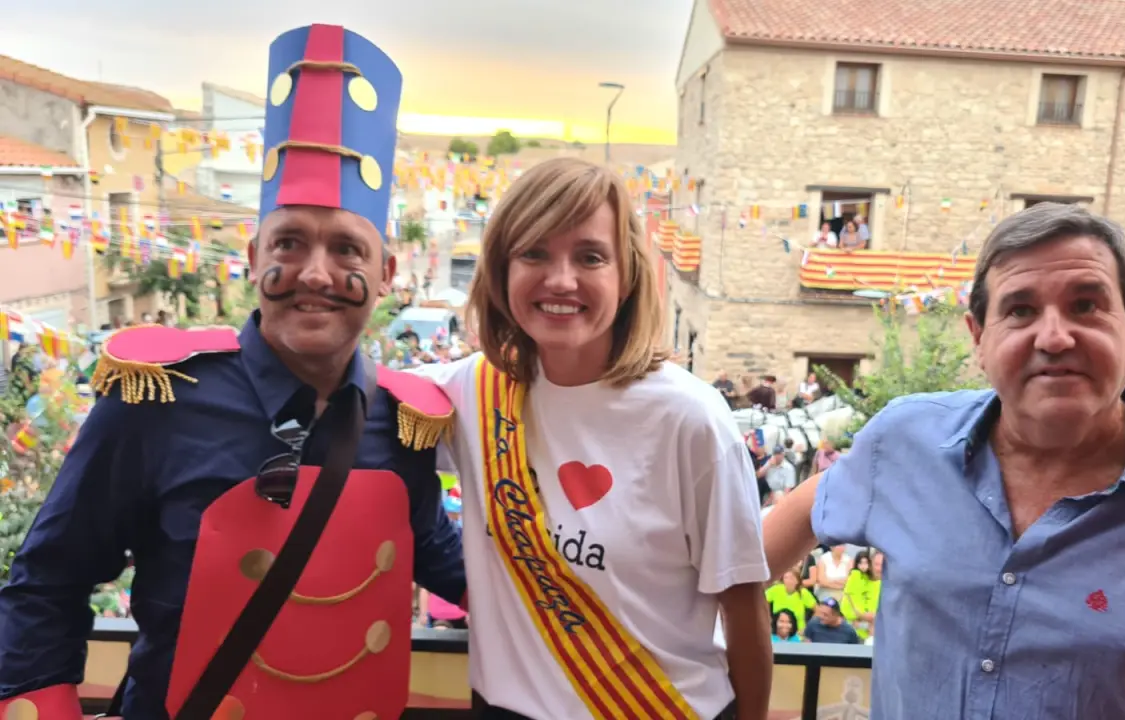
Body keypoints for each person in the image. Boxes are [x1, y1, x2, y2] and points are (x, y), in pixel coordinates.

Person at [0, 24, 465, 720]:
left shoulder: (404, 422)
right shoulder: (158, 398)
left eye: (347, 249)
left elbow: (442, 558)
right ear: (253, 258)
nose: (316, 274)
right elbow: (49, 579)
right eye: (290, 243)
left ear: (386, 273)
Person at [762, 203, 1125, 717]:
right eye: (1020, 310)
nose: (1054, 337)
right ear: (978, 337)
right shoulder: (904, 442)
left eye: (1086, 305)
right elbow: (782, 529)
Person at [416, 157, 771, 720]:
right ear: (501, 269)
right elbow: (349, 402)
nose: (561, 280)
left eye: (590, 256)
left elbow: (744, 607)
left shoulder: (691, 419)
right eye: (534, 253)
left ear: (626, 276)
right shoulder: (469, 393)